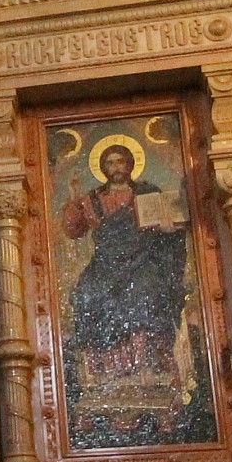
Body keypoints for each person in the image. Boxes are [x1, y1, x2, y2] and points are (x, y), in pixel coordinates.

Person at [58, 142, 187, 384]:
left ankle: (148, 367)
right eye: (110, 162)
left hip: (142, 261)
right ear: (103, 168)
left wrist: (170, 229)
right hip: (107, 262)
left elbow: (170, 220)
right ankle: (108, 373)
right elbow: (73, 230)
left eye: (120, 161)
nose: (116, 167)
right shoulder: (94, 199)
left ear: (129, 164)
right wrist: (74, 197)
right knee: (86, 293)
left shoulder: (147, 192)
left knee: (145, 293)